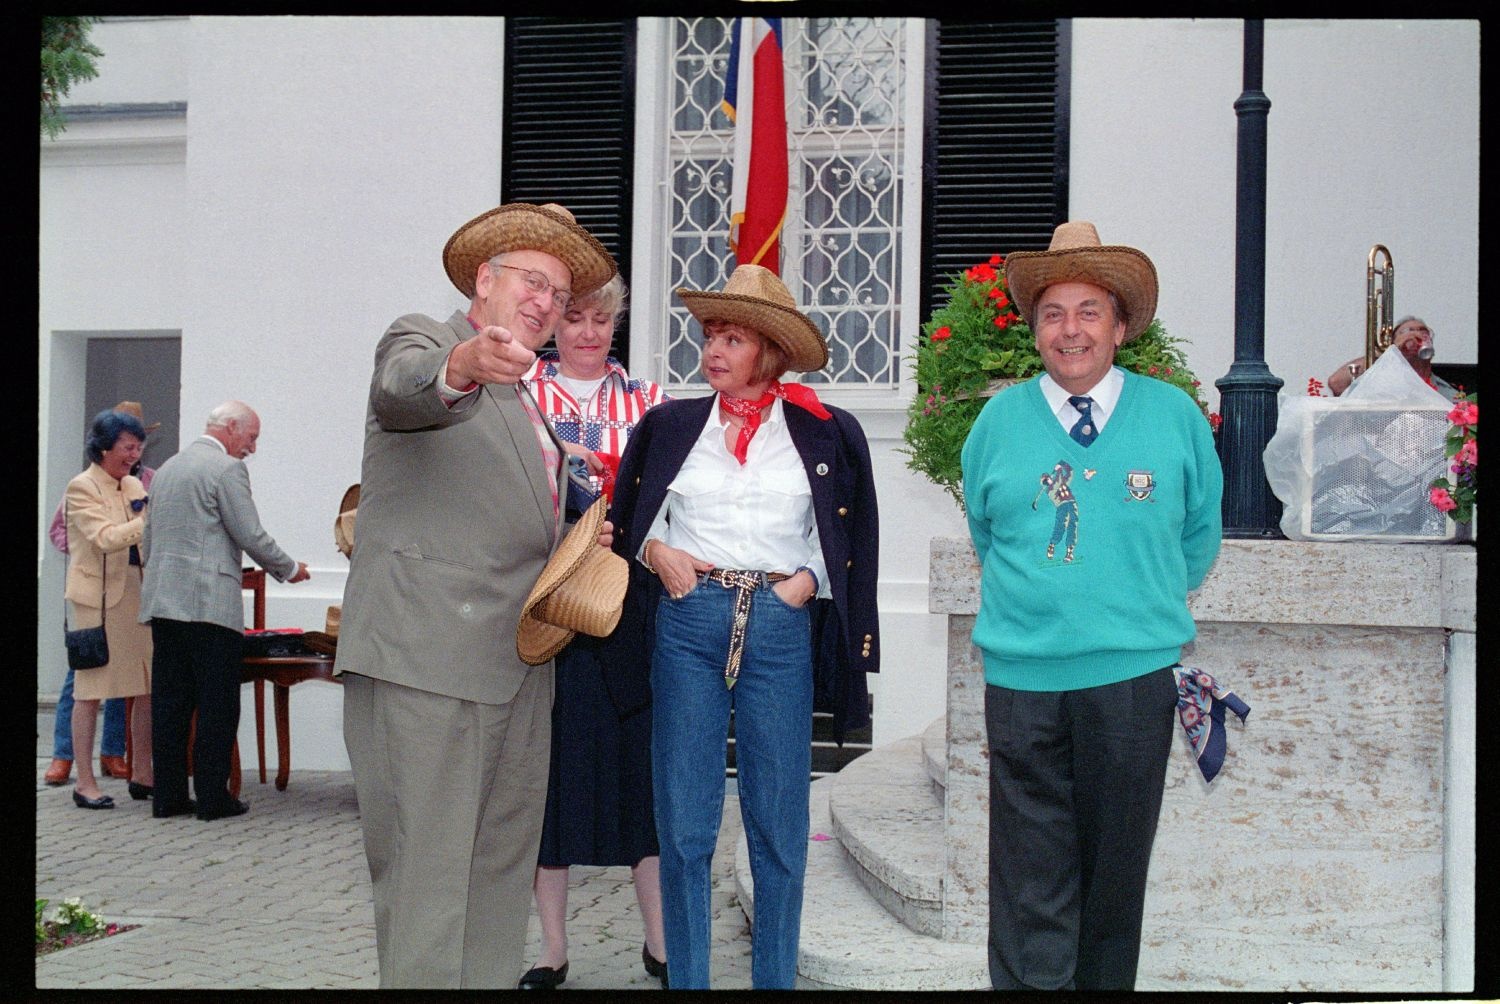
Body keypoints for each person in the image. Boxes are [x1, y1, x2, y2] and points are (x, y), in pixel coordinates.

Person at [336, 202, 617, 989]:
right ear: (485, 281)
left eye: (559, 295)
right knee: (427, 887)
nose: (545, 304)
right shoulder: (424, 338)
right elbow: (405, 391)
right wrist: (459, 367)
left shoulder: (532, 397)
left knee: (497, 880)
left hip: (518, 668)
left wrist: (574, 545)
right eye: (533, 282)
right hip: (427, 662)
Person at [960, 221, 1223, 990]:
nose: (1070, 329)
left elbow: (1199, 532)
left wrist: (1133, 601)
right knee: (1027, 879)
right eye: (1052, 313)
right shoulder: (996, 422)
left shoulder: (1173, 416)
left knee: (1115, 878)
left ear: (1119, 325)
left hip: (1132, 680)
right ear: (1035, 329)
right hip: (1022, 680)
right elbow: (987, 530)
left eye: (1088, 311)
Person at [607, 263, 880, 990]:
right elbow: (625, 522)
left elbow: (849, 534)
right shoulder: (668, 426)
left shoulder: (826, 432)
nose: (715, 350)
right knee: (687, 821)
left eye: (733, 337)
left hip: (778, 626)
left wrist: (807, 582)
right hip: (688, 619)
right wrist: (658, 553)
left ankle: (774, 983)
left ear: (770, 349)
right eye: (710, 336)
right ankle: (687, 981)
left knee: (779, 822)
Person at [517, 275, 670, 990]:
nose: (585, 331)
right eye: (572, 317)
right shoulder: (519, 393)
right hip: (545, 597)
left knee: (642, 772)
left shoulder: (652, 402)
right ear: (553, 324)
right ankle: (551, 950)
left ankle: (662, 943)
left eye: (599, 318)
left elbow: (674, 499)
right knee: (548, 778)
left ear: (617, 324)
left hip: (628, 598)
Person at [139, 400, 310, 822]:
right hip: (209, 606)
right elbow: (248, 532)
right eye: (251, 438)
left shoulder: (166, 470)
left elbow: (148, 539)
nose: (251, 448)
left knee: (170, 704)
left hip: (164, 602)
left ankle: (169, 797)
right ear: (231, 428)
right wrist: (289, 569)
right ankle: (213, 798)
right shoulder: (226, 470)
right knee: (217, 703)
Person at [44, 400, 158, 787]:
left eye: (139, 447)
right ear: (105, 447)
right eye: (128, 447)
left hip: (135, 597)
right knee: (88, 691)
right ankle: (84, 782)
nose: (135, 455)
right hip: (96, 602)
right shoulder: (81, 486)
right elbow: (106, 538)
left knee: (145, 687)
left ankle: (143, 774)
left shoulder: (134, 484)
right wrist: (147, 520)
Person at [1326, 316, 1462, 399]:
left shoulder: (1450, 392)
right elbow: (1337, 383)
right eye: (1407, 331)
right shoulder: (1381, 384)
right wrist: (1391, 351)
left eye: (1423, 331)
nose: (1417, 335)